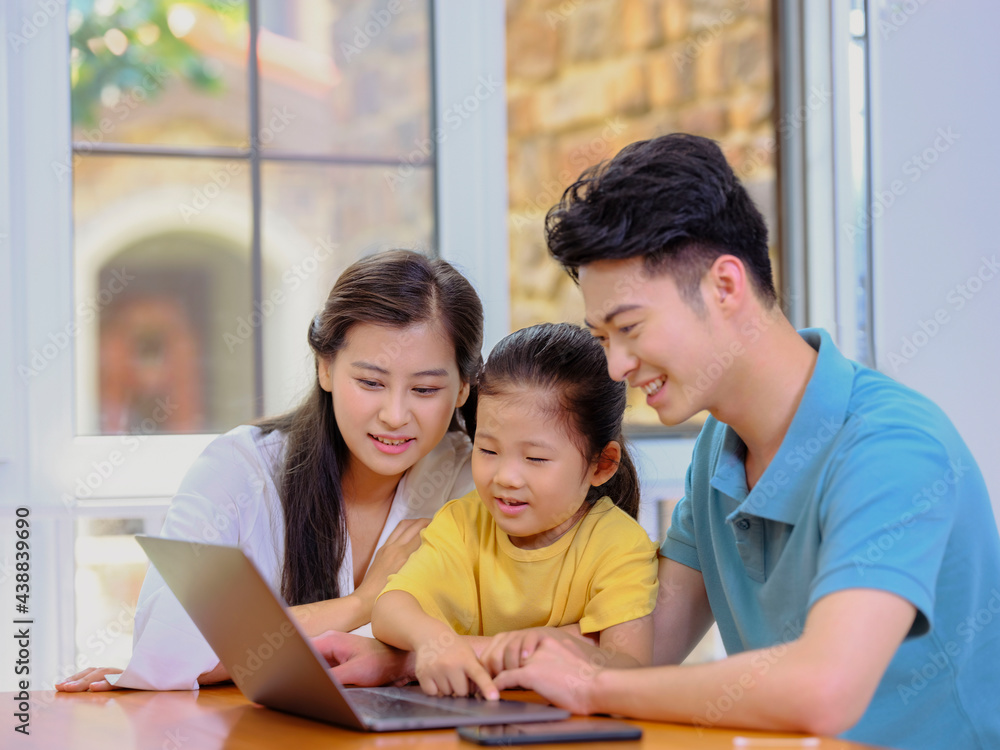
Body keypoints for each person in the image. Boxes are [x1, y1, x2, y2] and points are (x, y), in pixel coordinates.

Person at [485, 134, 1000, 750]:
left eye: (629, 328)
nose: (616, 365)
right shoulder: (718, 448)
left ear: (724, 287)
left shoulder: (891, 448)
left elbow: (823, 688)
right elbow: (643, 647)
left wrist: (594, 690)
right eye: (602, 337)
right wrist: (431, 657)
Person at [56, 249, 484, 692]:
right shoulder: (240, 472)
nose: (395, 415)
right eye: (371, 383)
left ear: (462, 389)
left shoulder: (479, 482)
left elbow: (519, 642)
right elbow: (168, 654)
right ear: (326, 368)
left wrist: (398, 659)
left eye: (425, 388)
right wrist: (360, 604)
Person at [370, 322, 658, 700]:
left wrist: (549, 645)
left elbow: (630, 667)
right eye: (488, 450)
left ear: (601, 464)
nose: (505, 477)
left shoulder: (620, 545)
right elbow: (390, 607)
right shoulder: (463, 522)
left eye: (535, 458)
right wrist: (433, 641)